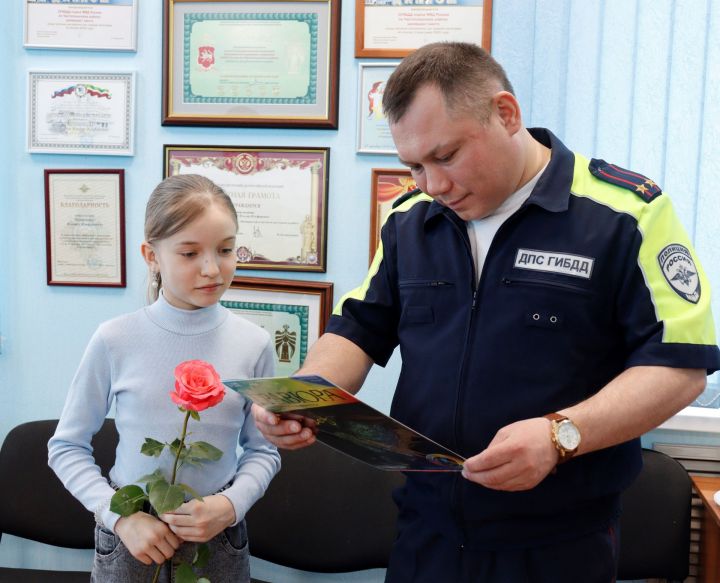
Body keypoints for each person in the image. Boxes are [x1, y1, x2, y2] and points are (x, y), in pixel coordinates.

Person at [253, 43, 720, 582]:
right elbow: (359, 328)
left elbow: (678, 368)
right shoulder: (411, 221)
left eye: (446, 156)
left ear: (506, 114)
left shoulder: (625, 214)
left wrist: (558, 436)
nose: (432, 184)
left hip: (556, 544)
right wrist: (308, 395)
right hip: (424, 531)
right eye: (414, 166)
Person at [49, 174, 280, 582]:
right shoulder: (114, 339)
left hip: (217, 532)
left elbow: (264, 451)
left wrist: (230, 506)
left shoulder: (254, 344)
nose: (212, 268)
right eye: (189, 253)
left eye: (226, 249)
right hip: (131, 532)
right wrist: (119, 518)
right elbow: (66, 447)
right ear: (151, 255)